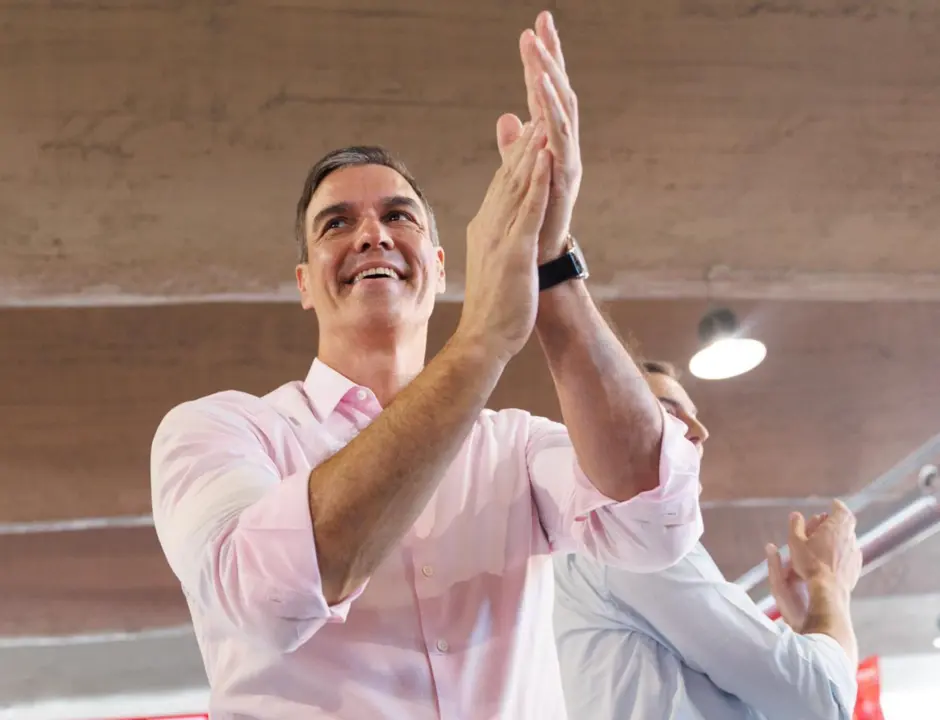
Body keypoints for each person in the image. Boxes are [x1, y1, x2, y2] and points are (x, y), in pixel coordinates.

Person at [150, 11, 703, 719]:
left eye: (399, 216)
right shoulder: (220, 430)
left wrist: (548, 262)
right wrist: (479, 343)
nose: (372, 235)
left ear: (439, 268)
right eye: (336, 223)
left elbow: (655, 520)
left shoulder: (514, 446)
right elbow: (266, 598)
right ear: (303, 283)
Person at [553, 361, 863, 720]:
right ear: (602, 430)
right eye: (669, 413)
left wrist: (808, 623)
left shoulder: (586, 550)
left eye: (694, 416)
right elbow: (820, 700)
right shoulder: (627, 539)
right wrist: (829, 581)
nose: (700, 431)